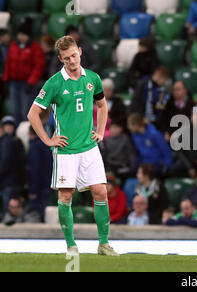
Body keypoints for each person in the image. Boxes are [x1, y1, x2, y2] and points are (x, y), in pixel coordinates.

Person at [27, 36, 118, 256]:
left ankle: (104, 244)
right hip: (66, 150)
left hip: (89, 147)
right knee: (65, 197)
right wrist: (49, 140)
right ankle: (71, 246)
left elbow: (102, 106)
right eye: (66, 58)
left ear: (80, 51)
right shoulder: (54, 83)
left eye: (74, 55)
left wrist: (100, 131)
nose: (72, 61)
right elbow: (33, 114)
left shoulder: (93, 78)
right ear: (60, 58)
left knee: (100, 192)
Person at [3, 18, 45, 123]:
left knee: (25, 110)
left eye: (24, 35)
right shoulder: (13, 45)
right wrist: (6, 79)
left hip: (26, 85)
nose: (21, 37)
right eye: (19, 34)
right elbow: (8, 63)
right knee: (15, 110)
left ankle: (26, 132)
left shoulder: (35, 47)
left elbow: (38, 66)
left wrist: (31, 82)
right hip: (13, 83)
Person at [0, 116, 26, 216]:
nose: (9, 128)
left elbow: (6, 163)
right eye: (6, 126)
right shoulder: (5, 141)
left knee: (9, 210)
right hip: (9, 181)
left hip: (11, 182)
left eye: (11, 126)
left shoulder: (11, 141)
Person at [28, 125, 53, 222]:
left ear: (30, 133)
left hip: (39, 187)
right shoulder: (47, 144)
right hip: (48, 183)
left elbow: (35, 168)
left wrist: (33, 190)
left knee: (38, 214)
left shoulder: (35, 145)